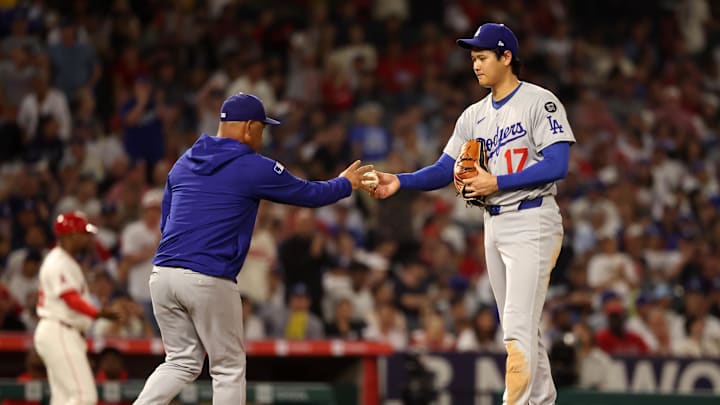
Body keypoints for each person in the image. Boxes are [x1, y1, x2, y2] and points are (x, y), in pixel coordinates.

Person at [372, 23, 576, 405]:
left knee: (516, 327)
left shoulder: (539, 101)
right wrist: (399, 181)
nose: (476, 65)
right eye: (473, 59)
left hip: (532, 218)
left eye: (482, 57)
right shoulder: (473, 116)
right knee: (523, 329)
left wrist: (496, 182)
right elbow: (442, 168)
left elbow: (558, 164)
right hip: (493, 222)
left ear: (506, 57)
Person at [133, 93, 372, 405]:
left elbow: (167, 222)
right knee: (228, 367)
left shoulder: (184, 161)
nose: (263, 135)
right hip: (207, 276)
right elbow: (309, 194)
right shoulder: (251, 166)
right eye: (262, 127)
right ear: (248, 127)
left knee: (181, 361)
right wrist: (345, 183)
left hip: (163, 274)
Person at [34, 212, 120, 405]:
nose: (88, 239)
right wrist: (96, 313)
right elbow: (70, 298)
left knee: (63, 398)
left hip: (62, 330)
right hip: (59, 329)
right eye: (83, 234)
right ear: (70, 236)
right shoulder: (59, 261)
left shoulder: (65, 261)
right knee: (84, 397)